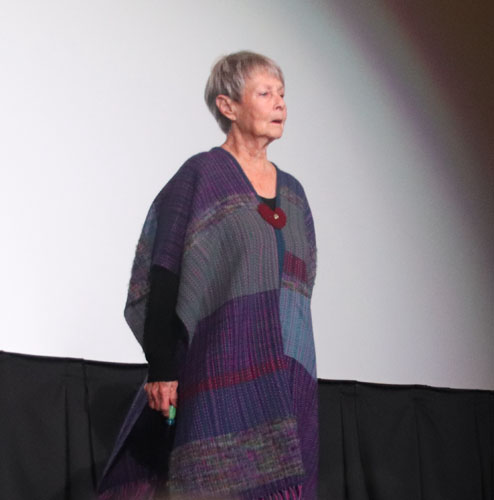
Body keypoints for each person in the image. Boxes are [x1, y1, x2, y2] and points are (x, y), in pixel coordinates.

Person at [97, 51, 318, 500]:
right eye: (265, 93)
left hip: (288, 373)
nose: (280, 103)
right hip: (220, 367)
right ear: (228, 105)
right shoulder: (201, 176)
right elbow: (164, 273)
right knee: (212, 480)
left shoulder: (294, 195)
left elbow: (300, 286)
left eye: (282, 94)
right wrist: (162, 368)